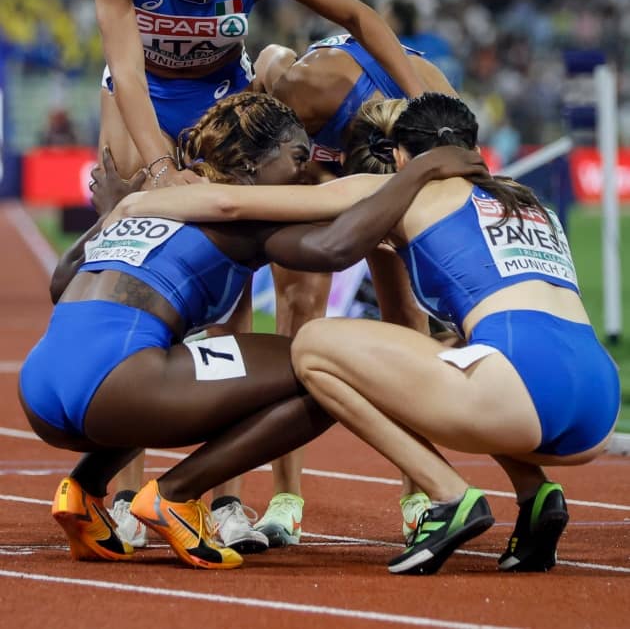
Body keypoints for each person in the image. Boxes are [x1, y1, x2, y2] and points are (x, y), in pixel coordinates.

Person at [90, 0, 430, 532]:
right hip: (138, 102)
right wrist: (157, 173)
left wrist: (422, 107)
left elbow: (360, 16)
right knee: (129, 274)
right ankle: (122, 494)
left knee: (229, 285)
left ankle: (223, 496)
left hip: (219, 107)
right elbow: (126, 70)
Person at [19, 92, 487, 571]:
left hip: (41, 391)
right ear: (249, 164)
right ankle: (174, 496)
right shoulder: (242, 218)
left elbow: (61, 282)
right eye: (296, 158)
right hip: (116, 385)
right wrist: (415, 174)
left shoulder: (148, 205)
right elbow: (333, 250)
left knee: (184, 355)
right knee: (328, 371)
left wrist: (109, 221)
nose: (304, 174)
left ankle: (84, 491)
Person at [288, 92, 621, 575]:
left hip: (518, 392)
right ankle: (535, 492)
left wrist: (155, 190)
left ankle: (448, 496)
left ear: (400, 156)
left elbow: (247, 206)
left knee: (314, 347)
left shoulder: (411, 193)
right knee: (458, 351)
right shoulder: (524, 198)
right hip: (596, 405)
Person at [250, 35, 458, 545]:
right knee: (298, 319)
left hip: (390, 177)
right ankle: (285, 499)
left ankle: (419, 495)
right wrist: (320, 180)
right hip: (310, 172)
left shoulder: (444, 125)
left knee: (410, 322)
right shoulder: (306, 88)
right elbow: (269, 60)